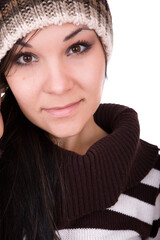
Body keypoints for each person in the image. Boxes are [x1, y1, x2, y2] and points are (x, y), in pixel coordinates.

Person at [0, 0, 159, 239]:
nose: (59, 86)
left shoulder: (155, 183)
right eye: (26, 58)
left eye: (76, 48)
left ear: (104, 50)